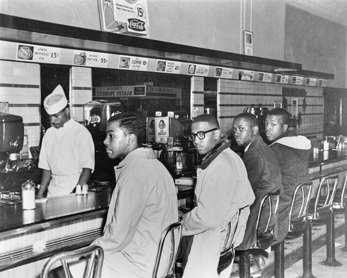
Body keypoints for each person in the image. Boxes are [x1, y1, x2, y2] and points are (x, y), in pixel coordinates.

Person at [90, 112, 178, 277]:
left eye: (111, 136)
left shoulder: (135, 172)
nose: (105, 141)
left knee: (59, 269)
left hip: (139, 266)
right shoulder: (157, 166)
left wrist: (89, 249)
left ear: (130, 139)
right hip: (161, 262)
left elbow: (117, 237)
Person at [180, 114, 255, 278]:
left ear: (216, 134)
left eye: (201, 135)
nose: (196, 141)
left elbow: (206, 217)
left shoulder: (220, 165)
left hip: (212, 240)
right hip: (227, 237)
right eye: (193, 136)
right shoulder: (229, 156)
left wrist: (180, 224)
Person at [232, 113, 283, 277]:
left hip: (256, 217)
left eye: (241, 129)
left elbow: (245, 191)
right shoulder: (261, 146)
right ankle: (253, 261)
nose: (236, 133)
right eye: (234, 129)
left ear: (254, 130)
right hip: (266, 213)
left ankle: (246, 264)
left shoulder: (253, 153)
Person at [37, 85, 95, 198]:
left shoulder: (81, 133)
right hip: (52, 192)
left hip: (74, 188)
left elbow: (87, 168)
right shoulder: (49, 134)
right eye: (50, 117)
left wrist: (76, 193)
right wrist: (39, 194)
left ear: (67, 111)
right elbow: (46, 168)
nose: (52, 120)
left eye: (56, 116)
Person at [265, 108, 311, 243]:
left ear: (284, 127)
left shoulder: (276, 149)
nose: (267, 128)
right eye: (266, 124)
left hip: (283, 209)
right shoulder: (299, 144)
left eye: (273, 125)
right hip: (299, 206)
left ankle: (251, 253)